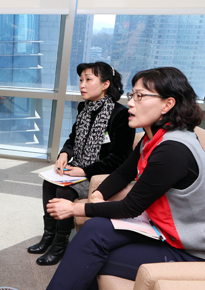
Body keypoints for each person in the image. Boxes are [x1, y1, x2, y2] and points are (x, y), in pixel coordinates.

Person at [45, 67, 205, 289]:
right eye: (132, 95)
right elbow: (123, 173)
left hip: (186, 247)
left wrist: (74, 209)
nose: (131, 103)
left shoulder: (173, 151)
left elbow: (130, 207)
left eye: (140, 96)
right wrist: (98, 195)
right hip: (159, 229)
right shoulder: (154, 136)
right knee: (93, 233)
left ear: (167, 104)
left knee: (89, 255)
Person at [27, 62, 135, 266]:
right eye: (80, 80)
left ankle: (60, 244)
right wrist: (64, 154)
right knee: (49, 183)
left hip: (100, 173)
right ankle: (48, 235)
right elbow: (73, 138)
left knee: (65, 192)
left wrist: (84, 170)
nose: (82, 85)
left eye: (88, 79)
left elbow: (120, 158)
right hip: (80, 166)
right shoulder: (84, 107)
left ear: (105, 84)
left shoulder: (120, 114)